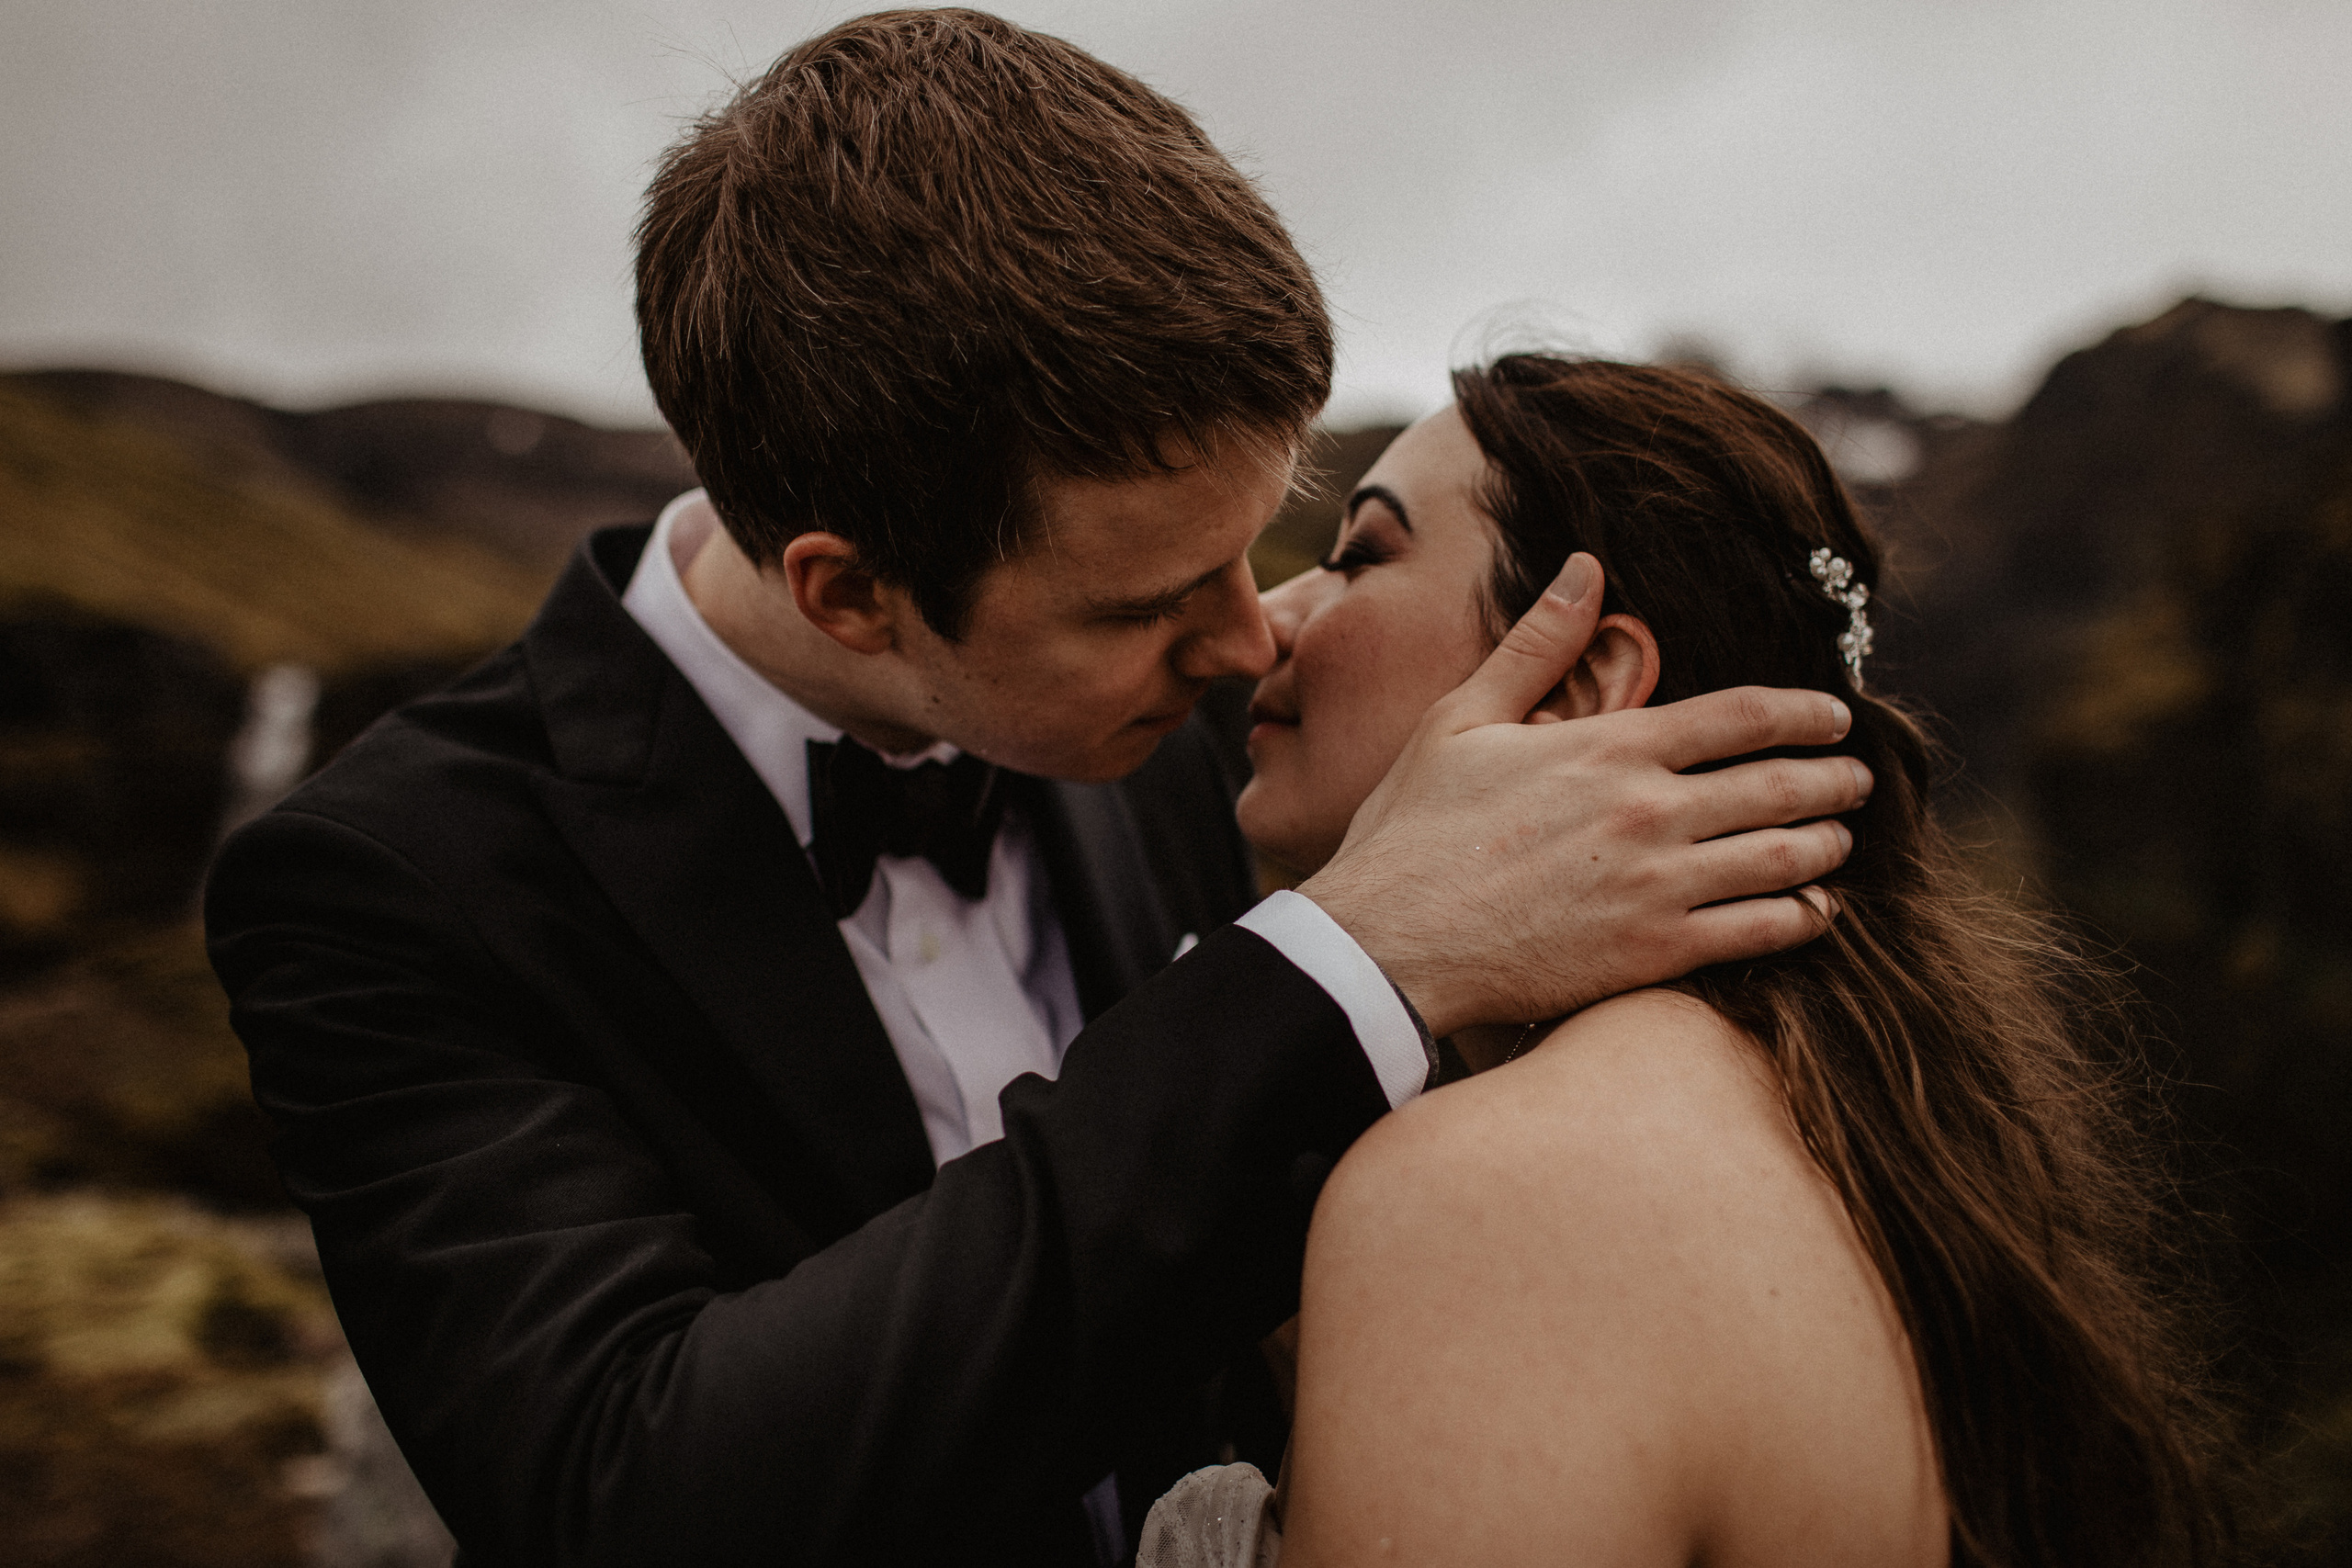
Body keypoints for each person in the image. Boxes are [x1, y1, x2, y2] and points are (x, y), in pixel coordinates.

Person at [203, 15, 1869, 1567]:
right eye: (1148, 606)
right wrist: (1337, 974)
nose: (1247, 645)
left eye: (1263, 545)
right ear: (850, 592)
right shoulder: (390, 883)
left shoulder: (1233, 756)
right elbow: (630, 1490)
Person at [1142, 356, 2235, 1568]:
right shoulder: (1880, 1129)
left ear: (1583, 680)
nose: (1267, 624)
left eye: (1363, 554)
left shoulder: (1498, 1198)